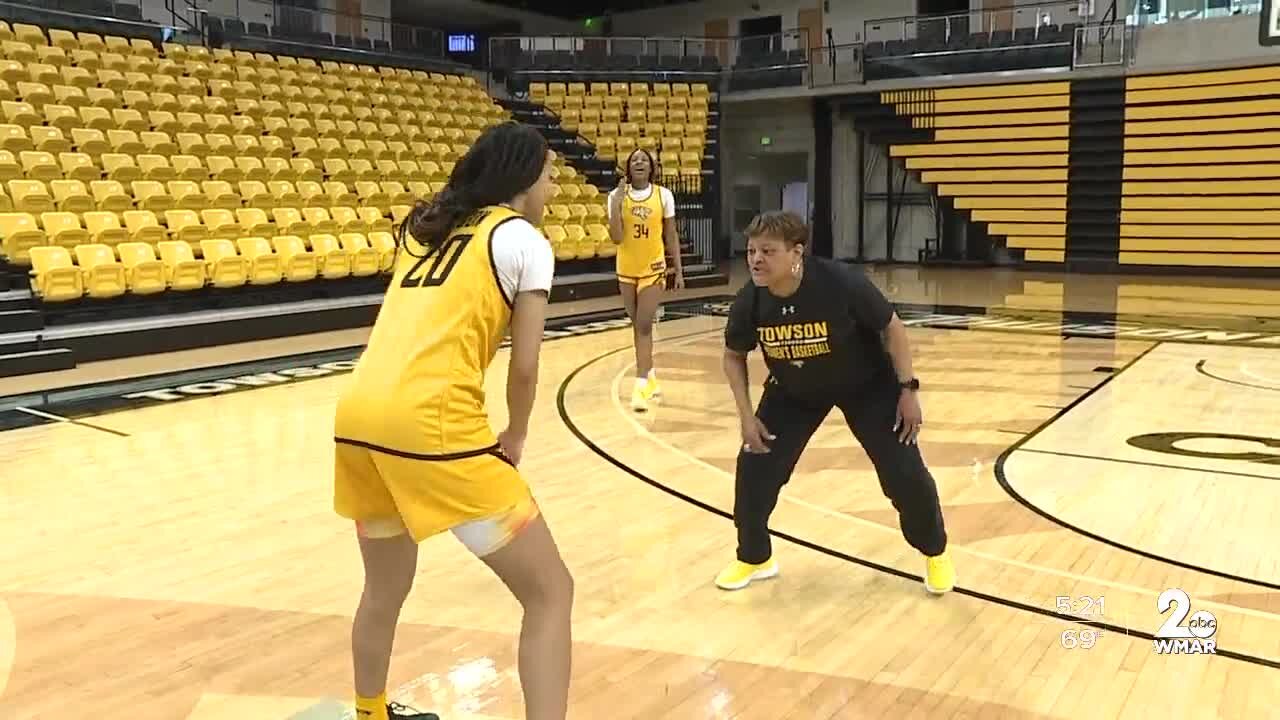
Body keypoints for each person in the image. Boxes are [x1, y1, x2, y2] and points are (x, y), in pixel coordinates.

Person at [332, 122, 574, 720]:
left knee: (383, 588)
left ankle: (369, 713)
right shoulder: (522, 240)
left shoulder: (427, 229)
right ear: (524, 178)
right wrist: (516, 433)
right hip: (430, 425)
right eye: (548, 176)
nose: (552, 189)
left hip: (357, 419)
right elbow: (525, 366)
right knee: (550, 592)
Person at [716, 210, 955, 595]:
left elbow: (892, 327)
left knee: (904, 473)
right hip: (794, 391)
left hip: (866, 386)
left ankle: (935, 552)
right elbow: (733, 356)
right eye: (751, 251)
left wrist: (908, 389)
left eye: (767, 251)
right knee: (755, 471)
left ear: (797, 252)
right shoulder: (751, 300)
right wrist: (746, 416)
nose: (756, 259)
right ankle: (755, 558)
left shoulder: (840, 282)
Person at [607, 148, 684, 412]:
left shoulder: (664, 195)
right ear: (628, 168)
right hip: (626, 268)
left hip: (653, 268)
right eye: (634, 160)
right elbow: (616, 238)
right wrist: (616, 204)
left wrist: (679, 270)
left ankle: (640, 386)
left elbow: (671, 234)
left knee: (643, 325)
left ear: (651, 167)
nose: (639, 162)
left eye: (644, 160)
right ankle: (650, 376)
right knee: (637, 325)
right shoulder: (615, 196)